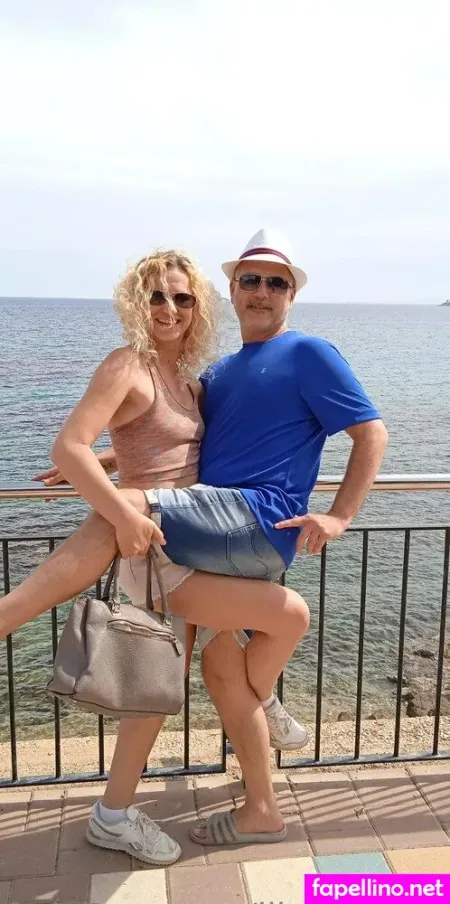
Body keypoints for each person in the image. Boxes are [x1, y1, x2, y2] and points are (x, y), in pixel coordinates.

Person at [0, 227, 388, 855]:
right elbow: (118, 444)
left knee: (184, 648)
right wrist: (104, 469)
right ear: (231, 291)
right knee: (174, 673)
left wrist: (339, 516)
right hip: (175, 537)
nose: (170, 308)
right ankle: (133, 802)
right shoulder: (171, 369)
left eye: (182, 298)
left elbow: (364, 436)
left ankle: (218, 758)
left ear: (287, 294)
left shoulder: (243, 367)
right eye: (249, 279)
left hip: (214, 529)